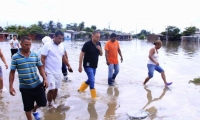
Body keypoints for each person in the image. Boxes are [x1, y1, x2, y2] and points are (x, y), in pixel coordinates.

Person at [9, 36, 48, 120]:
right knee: (27, 108)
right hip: (25, 87)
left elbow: (40, 67)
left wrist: (45, 78)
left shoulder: (35, 55)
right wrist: (11, 86)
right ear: (21, 44)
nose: (28, 47)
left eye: (30, 45)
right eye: (26, 45)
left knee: (43, 103)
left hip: (37, 84)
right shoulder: (15, 57)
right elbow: (12, 72)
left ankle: (34, 110)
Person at [41, 31, 73, 107]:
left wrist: (68, 65)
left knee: (56, 89)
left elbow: (63, 57)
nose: (60, 40)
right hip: (49, 71)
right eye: (59, 38)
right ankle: (49, 104)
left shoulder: (62, 45)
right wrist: (43, 70)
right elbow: (42, 58)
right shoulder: (47, 45)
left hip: (58, 72)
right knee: (51, 89)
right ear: (54, 37)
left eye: (62, 39)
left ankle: (53, 102)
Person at [78, 31, 103, 99]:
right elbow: (81, 55)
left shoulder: (99, 44)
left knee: (90, 79)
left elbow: (101, 54)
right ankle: (94, 98)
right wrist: (80, 66)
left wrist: (100, 49)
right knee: (92, 80)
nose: (98, 39)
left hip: (94, 65)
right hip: (87, 65)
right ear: (92, 36)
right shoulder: (87, 44)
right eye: (97, 37)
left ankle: (80, 90)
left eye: (99, 37)